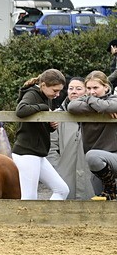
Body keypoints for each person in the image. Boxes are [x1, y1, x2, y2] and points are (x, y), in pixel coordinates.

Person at [12, 69, 70, 200]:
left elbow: (37, 125)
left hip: (38, 153)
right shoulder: (32, 93)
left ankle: (47, 219)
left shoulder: (46, 96)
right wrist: (44, 108)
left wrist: (50, 126)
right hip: (27, 152)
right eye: (55, 90)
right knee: (29, 197)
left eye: (59, 91)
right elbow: (21, 110)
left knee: (62, 190)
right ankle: (28, 221)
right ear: (43, 85)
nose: (57, 94)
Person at [66, 70, 117, 200]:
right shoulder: (86, 99)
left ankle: (111, 186)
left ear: (106, 87)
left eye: (96, 88)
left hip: (113, 156)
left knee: (92, 155)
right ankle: (110, 187)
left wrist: (93, 103)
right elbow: (72, 107)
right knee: (102, 200)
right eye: (88, 88)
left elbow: (111, 107)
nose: (91, 91)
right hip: (97, 166)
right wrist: (98, 104)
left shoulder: (114, 99)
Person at [48, 77, 92, 199]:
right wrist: (56, 169)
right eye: (71, 88)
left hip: (90, 174)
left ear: (86, 91)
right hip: (64, 174)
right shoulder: (57, 116)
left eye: (78, 89)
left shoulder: (97, 116)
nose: (74, 91)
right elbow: (50, 147)